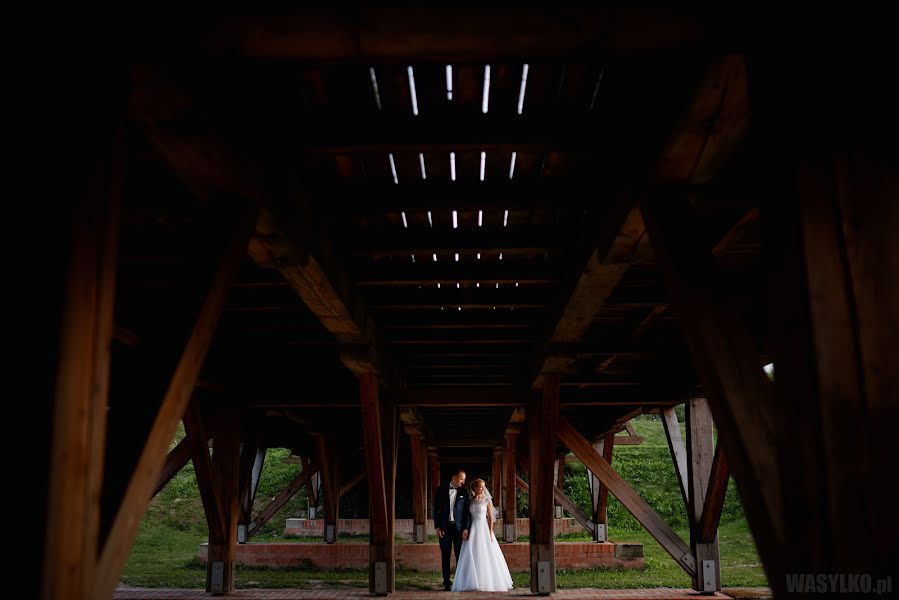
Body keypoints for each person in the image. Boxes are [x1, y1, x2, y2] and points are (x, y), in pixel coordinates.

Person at [451, 478, 514, 592]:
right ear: (474, 488)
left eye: (483, 486)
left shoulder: (487, 500)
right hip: (472, 529)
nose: (482, 488)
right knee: (471, 553)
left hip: (483, 529)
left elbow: (490, 517)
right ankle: (470, 581)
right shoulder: (470, 500)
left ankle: (487, 581)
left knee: (485, 553)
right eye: (480, 486)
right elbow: (467, 516)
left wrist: (489, 532)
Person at [433, 469, 471, 591]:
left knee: (460, 555)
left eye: (464, 479)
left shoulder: (464, 492)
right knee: (445, 555)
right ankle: (446, 582)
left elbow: (467, 512)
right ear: (454, 477)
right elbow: (435, 510)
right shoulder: (441, 490)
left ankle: (460, 581)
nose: (463, 482)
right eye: (461, 479)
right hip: (444, 528)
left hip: (459, 529)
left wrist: (466, 528)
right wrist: (437, 527)